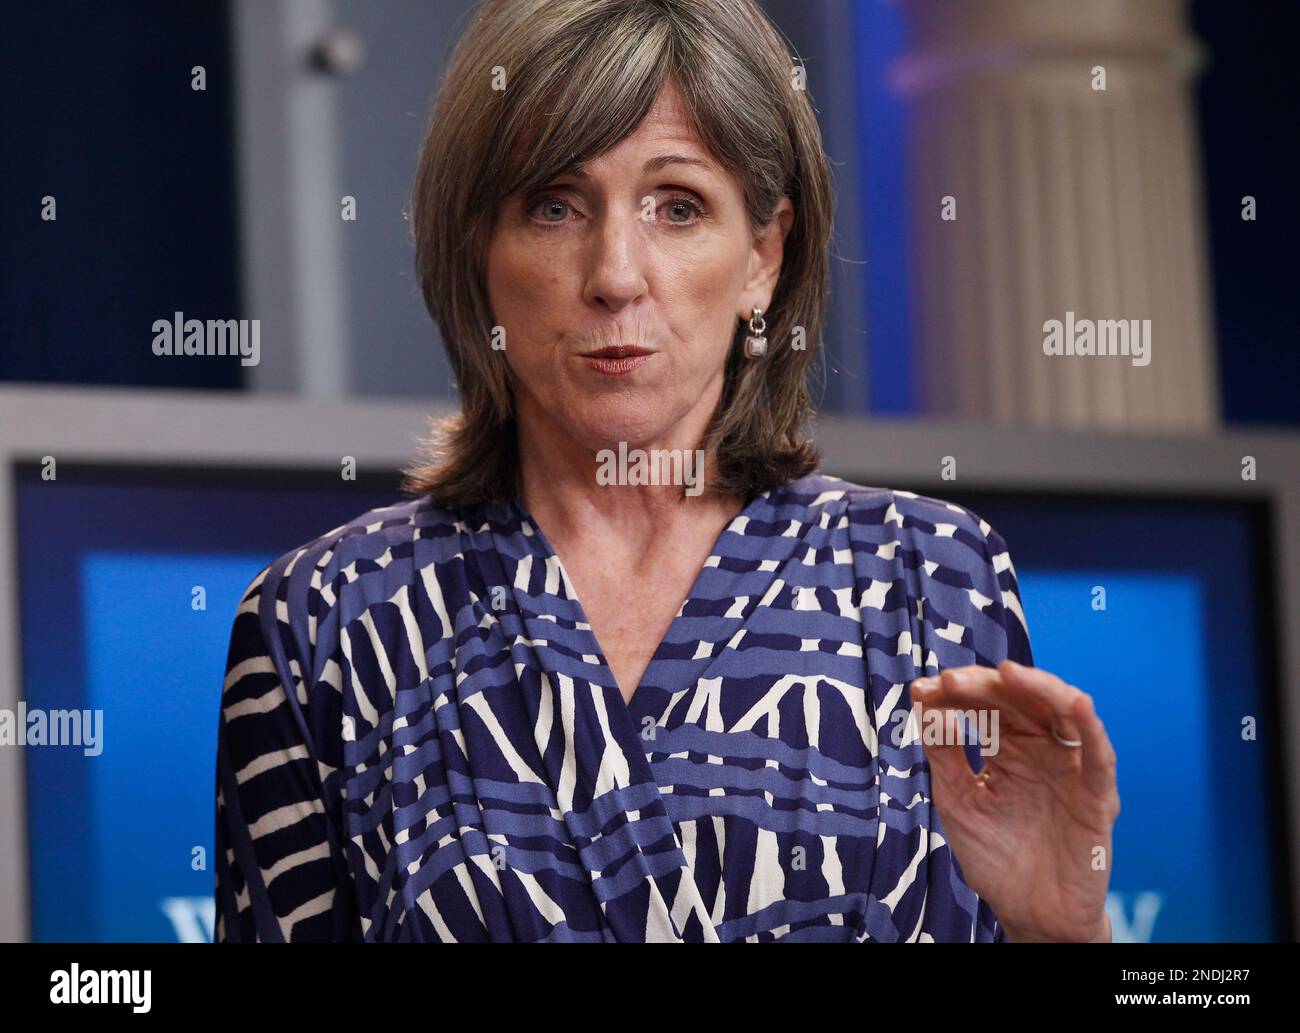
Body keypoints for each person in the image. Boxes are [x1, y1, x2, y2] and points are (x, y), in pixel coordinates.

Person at [215, 0, 1118, 943]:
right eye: (554, 204)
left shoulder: (925, 576)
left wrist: (1064, 932)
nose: (614, 272)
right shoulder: (326, 622)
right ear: (478, 250)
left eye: (677, 206)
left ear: (764, 256)